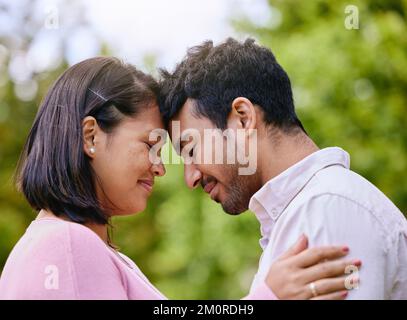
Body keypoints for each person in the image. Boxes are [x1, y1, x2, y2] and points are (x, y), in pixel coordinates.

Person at [0, 57, 356, 300]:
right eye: (150, 145)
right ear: (91, 136)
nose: (160, 167)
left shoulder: (86, 246)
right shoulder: (64, 245)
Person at [158, 38, 407, 299]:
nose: (191, 178)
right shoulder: (304, 212)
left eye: (191, 150)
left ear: (243, 118)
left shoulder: (325, 209)